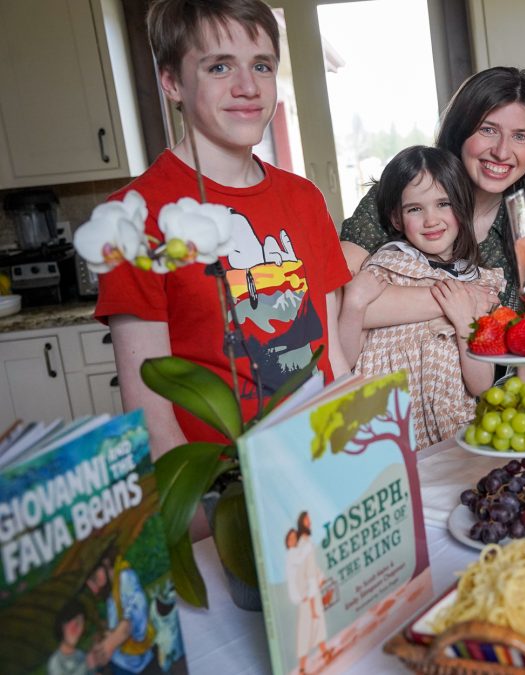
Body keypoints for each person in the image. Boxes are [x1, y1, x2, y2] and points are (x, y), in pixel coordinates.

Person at [93, 0, 352, 458]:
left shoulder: (305, 198)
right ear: (171, 82)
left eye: (262, 65)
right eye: (219, 67)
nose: (248, 87)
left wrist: (363, 455)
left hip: (323, 464)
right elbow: (152, 418)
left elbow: (332, 357)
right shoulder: (134, 218)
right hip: (227, 497)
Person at [339, 67, 525, 317]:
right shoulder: (402, 195)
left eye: (521, 136)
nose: (502, 152)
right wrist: (463, 298)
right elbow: (333, 298)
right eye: (488, 130)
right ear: (460, 132)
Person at [345, 146, 504, 450]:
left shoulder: (478, 284)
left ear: (462, 208)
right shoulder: (383, 270)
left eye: (443, 204)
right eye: (415, 209)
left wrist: (464, 324)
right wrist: (354, 304)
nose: (431, 220)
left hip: (453, 434)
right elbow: (346, 359)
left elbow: (481, 385)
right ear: (396, 218)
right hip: (386, 434)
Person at [84, 546, 156, 675]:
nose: (94, 589)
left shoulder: (125, 577)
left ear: (105, 563)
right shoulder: (110, 592)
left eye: (94, 578)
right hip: (121, 665)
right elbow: (117, 623)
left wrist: (111, 642)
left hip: (139, 665)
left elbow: (134, 614)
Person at [288, 514, 330, 675]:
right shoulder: (301, 544)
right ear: (302, 523)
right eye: (307, 520)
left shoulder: (307, 542)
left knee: (318, 623)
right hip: (306, 592)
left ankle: (325, 651)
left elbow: (312, 565)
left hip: (313, 588)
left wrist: (320, 578)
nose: (310, 522)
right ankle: (303, 668)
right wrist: (306, 590)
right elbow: (300, 570)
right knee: (305, 629)